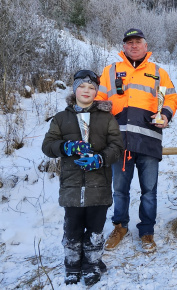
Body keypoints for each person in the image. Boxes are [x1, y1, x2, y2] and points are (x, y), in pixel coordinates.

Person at [96, 28, 177, 253]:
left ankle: (147, 232)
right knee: (120, 190)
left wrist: (167, 114)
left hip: (148, 141)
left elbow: (171, 97)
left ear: (145, 45)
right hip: (118, 142)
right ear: (123, 46)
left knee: (149, 191)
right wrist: (101, 106)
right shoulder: (110, 70)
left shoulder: (157, 71)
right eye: (129, 42)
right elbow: (99, 98)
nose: (133, 46)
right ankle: (120, 227)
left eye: (137, 42)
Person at [42, 70, 124, 286]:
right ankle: (72, 266)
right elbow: (47, 146)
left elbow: (117, 147)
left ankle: (92, 265)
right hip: (72, 185)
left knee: (95, 230)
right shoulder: (61, 118)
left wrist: (100, 159)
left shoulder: (107, 118)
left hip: (99, 185)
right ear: (74, 89)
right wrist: (65, 146)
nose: (86, 91)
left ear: (96, 92)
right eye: (82, 86)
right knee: (72, 230)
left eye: (91, 88)